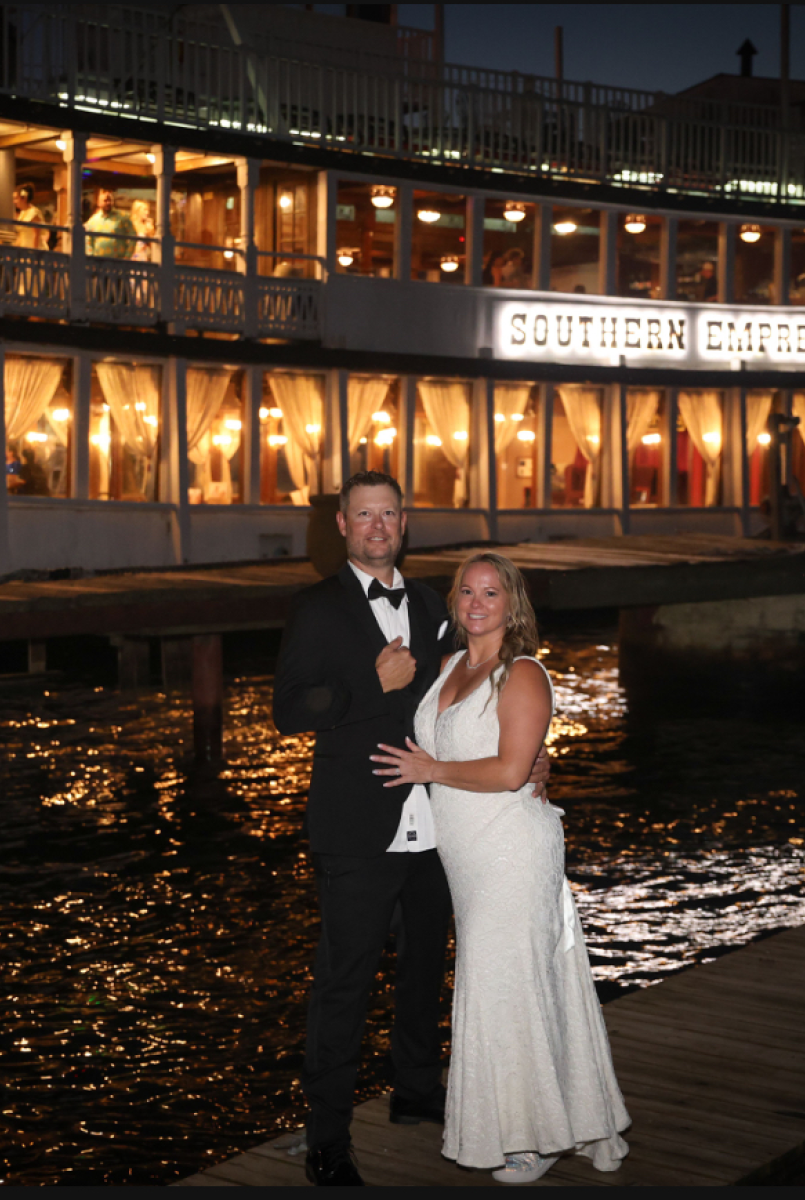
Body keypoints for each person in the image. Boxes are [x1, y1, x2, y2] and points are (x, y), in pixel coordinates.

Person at [273, 473, 549, 1187]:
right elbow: (289, 711)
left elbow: (481, 685)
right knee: (345, 986)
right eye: (363, 515)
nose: (377, 526)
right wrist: (373, 685)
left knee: (427, 968)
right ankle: (327, 1141)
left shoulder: (432, 605)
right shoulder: (316, 608)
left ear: (404, 523)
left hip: (440, 825)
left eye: (388, 514)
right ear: (342, 524)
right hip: (357, 828)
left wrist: (530, 754)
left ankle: (415, 1090)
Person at [372, 551, 630, 1185]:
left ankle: (529, 1138)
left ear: (513, 605)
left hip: (513, 849)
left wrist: (434, 769)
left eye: (491, 592)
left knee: (503, 988)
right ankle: (559, 1121)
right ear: (455, 602)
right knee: (516, 985)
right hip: (465, 855)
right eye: (467, 591)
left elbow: (513, 770)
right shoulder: (447, 666)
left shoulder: (524, 674)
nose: (477, 603)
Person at [84, 187, 135, 258]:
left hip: (118, 261)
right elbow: (87, 239)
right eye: (105, 200)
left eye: (110, 200)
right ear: (98, 202)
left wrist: (127, 256)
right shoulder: (93, 221)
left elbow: (133, 236)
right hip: (98, 261)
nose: (108, 203)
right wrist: (90, 257)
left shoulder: (123, 217)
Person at [13, 183, 49, 251]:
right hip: (24, 250)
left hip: (35, 250)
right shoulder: (22, 213)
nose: (14, 201)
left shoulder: (34, 213)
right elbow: (21, 236)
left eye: (16, 198)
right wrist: (13, 250)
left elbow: (36, 235)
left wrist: (34, 254)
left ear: (24, 198)